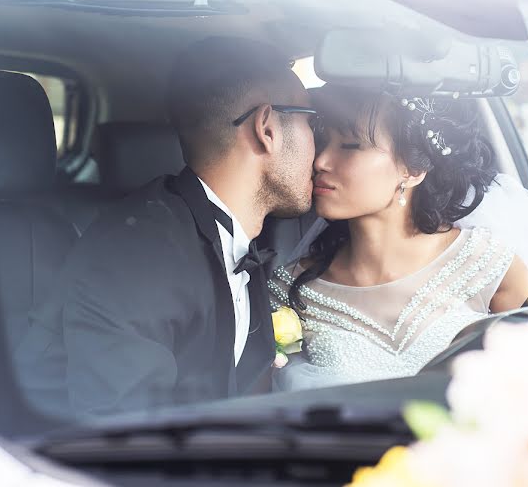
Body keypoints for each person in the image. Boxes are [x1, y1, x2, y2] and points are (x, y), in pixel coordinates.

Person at [20, 37, 318, 415]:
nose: (319, 151)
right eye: (312, 123)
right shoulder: (138, 258)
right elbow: (126, 437)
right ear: (267, 129)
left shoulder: (224, 233)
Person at [268, 83, 528, 391]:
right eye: (323, 141)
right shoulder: (289, 291)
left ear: (412, 168)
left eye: (350, 145)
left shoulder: (487, 265)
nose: (321, 161)